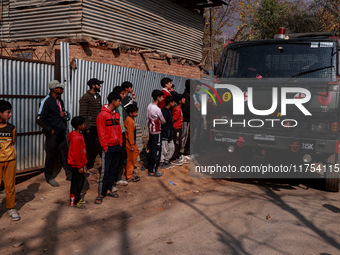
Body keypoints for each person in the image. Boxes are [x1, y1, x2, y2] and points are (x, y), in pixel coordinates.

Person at [36, 80, 72, 187]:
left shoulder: (60, 101)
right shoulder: (46, 101)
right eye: (60, 88)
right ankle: (49, 176)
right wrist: (49, 129)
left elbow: (58, 115)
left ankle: (69, 174)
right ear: (54, 89)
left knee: (65, 153)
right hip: (52, 133)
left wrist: (63, 115)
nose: (62, 89)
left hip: (61, 132)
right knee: (50, 154)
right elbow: (39, 119)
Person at [95, 92, 122, 204]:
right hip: (108, 148)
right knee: (105, 171)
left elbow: (119, 130)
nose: (120, 103)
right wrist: (105, 147)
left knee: (113, 170)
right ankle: (100, 193)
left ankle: (108, 190)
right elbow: (101, 132)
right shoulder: (102, 115)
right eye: (119, 101)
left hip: (117, 146)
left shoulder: (116, 114)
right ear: (113, 101)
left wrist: (120, 143)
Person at [0, 100, 20, 221]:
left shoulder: (11, 128)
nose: (10, 114)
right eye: (8, 112)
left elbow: (13, 141)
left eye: (10, 112)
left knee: (10, 185)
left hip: (10, 160)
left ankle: (11, 208)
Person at [79, 78, 103, 174]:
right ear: (93, 86)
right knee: (89, 147)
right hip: (90, 126)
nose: (100, 86)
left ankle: (96, 163)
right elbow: (83, 114)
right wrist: (87, 127)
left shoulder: (98, 96)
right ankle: (89, 166)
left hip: (98, 125)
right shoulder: (85, 97)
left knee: (98, 146)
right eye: (98, 85)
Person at [68, 116, 87, 209]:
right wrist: (79, 166)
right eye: (84, 124)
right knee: (77, 184)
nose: (85, 125)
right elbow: (76, 154)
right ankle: (75, 201)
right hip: (76, 165)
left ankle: (76, 199)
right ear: (79, 126)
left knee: (78, 182)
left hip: (79, 164)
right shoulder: (76, 138)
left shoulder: (78, 136)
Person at [147, 90, 166, 177]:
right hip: (157, 131)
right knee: (157, 151)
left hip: (151, 130)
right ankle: (153, 170)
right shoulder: (157, 109)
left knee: (152, 149)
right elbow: (163, 120)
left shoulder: (149, 106)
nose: (163, 98)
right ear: (158, 98)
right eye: (162, 97)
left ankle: (150, 167)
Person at [112, 86, 128, 186]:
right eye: (122, 94)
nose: (124, 95)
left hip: (122, 133)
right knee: (115, 158)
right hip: (116, 135)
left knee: (121, 157)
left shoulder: (120, 106)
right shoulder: (113, 109)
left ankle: (118, 177)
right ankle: (113, 180)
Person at [124, 104, 140, 182]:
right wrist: (132, 144)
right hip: (130, 142)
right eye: (135, 112)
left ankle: (129, 169)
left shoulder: (131, 119)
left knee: (136, 153)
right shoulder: (130, 121)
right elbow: (130, 133)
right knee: (131, 159)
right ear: (130, 113)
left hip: (132, 142)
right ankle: (129, 175)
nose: (137, 114)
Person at [160, 96, 175, 169]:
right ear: (170, 102)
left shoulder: (169, 111)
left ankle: (166, 160)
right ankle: (162, 162)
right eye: (173, 102)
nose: (174, 103)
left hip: (169, 133)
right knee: (164, 149)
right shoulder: (164, 111)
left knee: (171, 147)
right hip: (165, 133)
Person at [170, 94, 186, 165]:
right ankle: (173, 158)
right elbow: (173, 119)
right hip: (176, 129)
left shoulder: (179, 108)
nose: (184, 100)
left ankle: (175, 157)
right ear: (180, 101)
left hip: (178, 128)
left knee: (178, 143)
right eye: (183, 99)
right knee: (177, 144)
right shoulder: (177, 109)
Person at [181, 79, 191, 157]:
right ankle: (182, 152)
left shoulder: (189, 94)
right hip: (186, 119)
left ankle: (185, 150)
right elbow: (186, 109)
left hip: (188, 119)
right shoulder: (186, 94)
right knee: (184, 135)